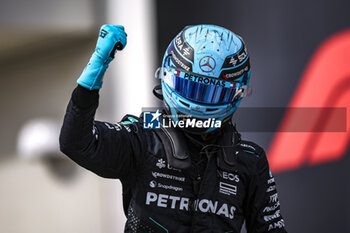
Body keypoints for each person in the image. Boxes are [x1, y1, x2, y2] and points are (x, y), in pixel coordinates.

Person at [59, 24, 288, 233]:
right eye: (189, 87)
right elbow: (76, 142)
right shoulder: (142, 137)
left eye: (211, 93)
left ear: (237, 92)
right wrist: (96, 65)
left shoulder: (249, 159)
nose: (198, 104)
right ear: (166, 76)